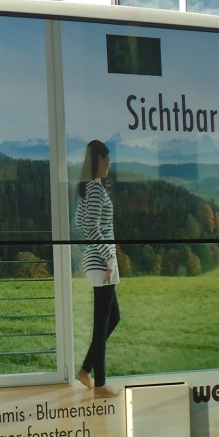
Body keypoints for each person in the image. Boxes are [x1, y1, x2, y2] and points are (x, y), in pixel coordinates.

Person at [74, 139, 120, 397]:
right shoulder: (95, 189)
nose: (110, 165)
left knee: (113, 318)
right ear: (100, 159)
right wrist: (109, 259)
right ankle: (100, 385)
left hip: (98, 261)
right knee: (102, 323)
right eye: (108, 159)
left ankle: (85, 370)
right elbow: (91, 227)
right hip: (102, 263)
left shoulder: (88, 188)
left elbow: (80, 222)